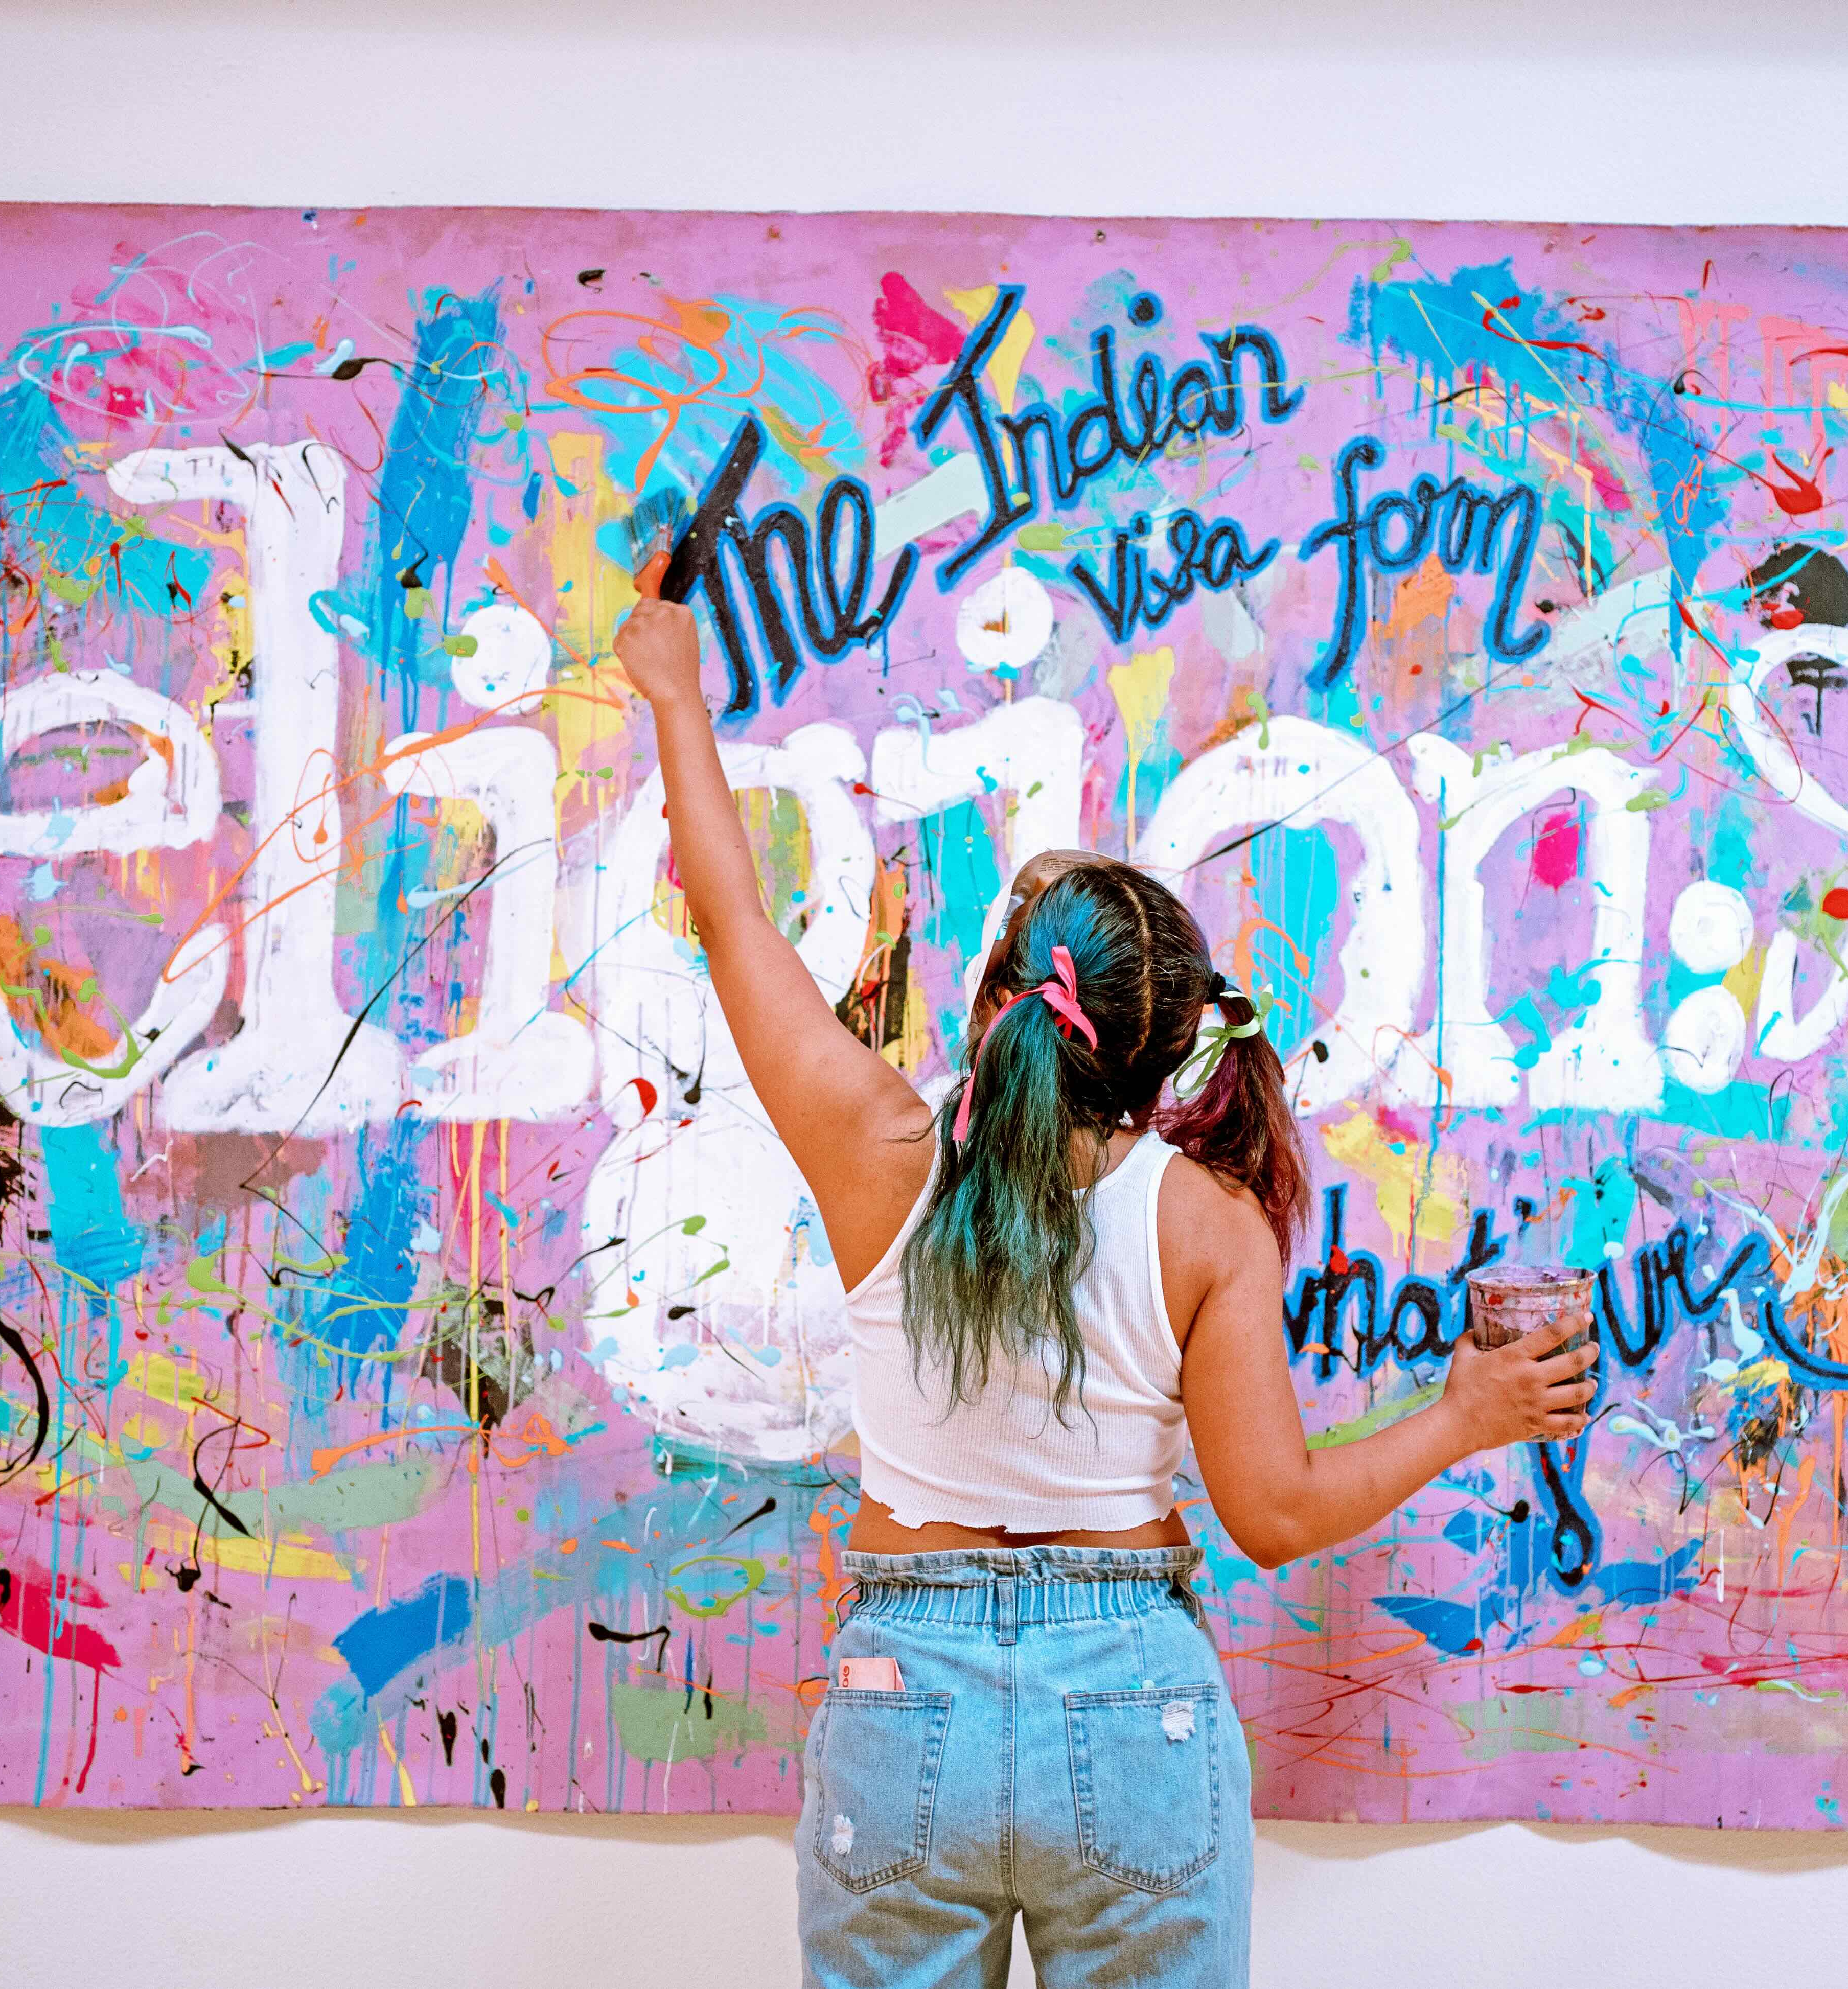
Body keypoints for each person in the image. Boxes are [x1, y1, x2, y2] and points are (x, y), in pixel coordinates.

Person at [615, 562, 1598, 1989]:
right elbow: (1270, 1511)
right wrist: (1463, 1417)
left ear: (998, 993)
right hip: (1136, 1699)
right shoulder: (1207, 1226)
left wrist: (677, 698)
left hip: (907, 1701)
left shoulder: (877, 1145)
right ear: (1172, 1045)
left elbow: (736, 920)